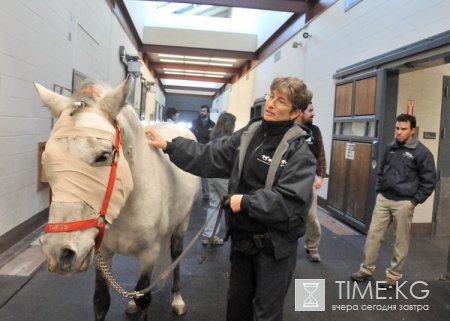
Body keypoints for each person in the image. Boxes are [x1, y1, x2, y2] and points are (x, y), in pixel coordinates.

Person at [146, 76, 316, 321]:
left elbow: (291, 204)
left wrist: (246, 202)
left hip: (275, 248)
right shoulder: (251, 134)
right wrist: (171, 146)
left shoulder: (300, 153)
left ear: (295, 112)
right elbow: (210, 155)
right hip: (243, 242)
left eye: (280, 101)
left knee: (266, 313)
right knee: (236, 308)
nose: (270, 104)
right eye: (271, 96)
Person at [351, 113, 436, 287]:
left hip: (404, 202)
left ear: (412, 131)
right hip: (384, 199)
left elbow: (430, 181)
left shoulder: (422, 152)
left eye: (403, 129)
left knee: (400, 241)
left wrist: (414, 201)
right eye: (397, 128)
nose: (399, 132)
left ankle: (394, 275)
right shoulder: (390, 147)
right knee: (373, 235)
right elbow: (381, 170)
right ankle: (366, 270)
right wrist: (379, 191)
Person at [295, 103, 326, 262]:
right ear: (300, 112)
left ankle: (312, 247)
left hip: (309, 181)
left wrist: (320, 176)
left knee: (312, 216)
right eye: (311, 110)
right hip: (291, 181)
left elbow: (320, 154)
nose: (313, 113)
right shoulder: (291, 129)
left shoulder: (315, 131)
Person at [202, 112, 237, 246]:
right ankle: (237, 237)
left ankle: (208, 235)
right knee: (234, 206)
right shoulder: (230, 141)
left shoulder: (213, 138)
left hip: (211, 176)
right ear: (230, 125)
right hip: (224, 177)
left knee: (214, 205)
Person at [191, 105, 216, 200]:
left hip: (206, 150)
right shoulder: (194, 122)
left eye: (204, 111)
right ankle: (192, 192)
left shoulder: (213, 124)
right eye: (201, 111)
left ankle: (205, 193)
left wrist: (200, 134)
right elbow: (193, 133)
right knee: (192, 170)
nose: (202, 112)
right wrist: (206, 134)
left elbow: (212, 137)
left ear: (208, 113)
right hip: (195, 148)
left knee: (204, 172)